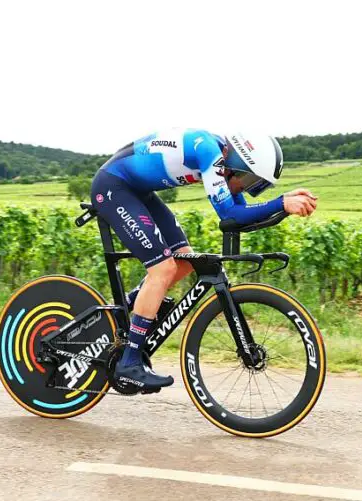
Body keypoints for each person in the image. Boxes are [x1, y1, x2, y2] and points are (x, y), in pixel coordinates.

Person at [90, 129, 318, 391]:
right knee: (162, 269)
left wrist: (284, 206)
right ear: (238, 165)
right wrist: (282, 203)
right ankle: (129, 363)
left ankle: (125, 310)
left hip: (136, 191)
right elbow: (230, 214)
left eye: (255, 186)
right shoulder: (208, 151)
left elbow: (240, 216)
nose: (245, 187)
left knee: (185, 261)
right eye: (250, 179)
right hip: (113, 187)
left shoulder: (222, 159)